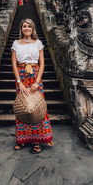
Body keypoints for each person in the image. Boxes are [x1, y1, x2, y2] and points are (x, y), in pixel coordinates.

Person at [11, 18, 53, 153]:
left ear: (33, 28)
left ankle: (37, 140)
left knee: (36, 107)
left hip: (35, 76)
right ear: (21, 29)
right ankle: (23, 138)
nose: (27, 28)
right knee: (23, 107)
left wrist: (37, 81)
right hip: (22, 77)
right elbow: (14, 64)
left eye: (29, 26)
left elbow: (42, 64)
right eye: (24, 26)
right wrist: (19, 83)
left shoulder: (38, 43)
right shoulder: (16, 44)